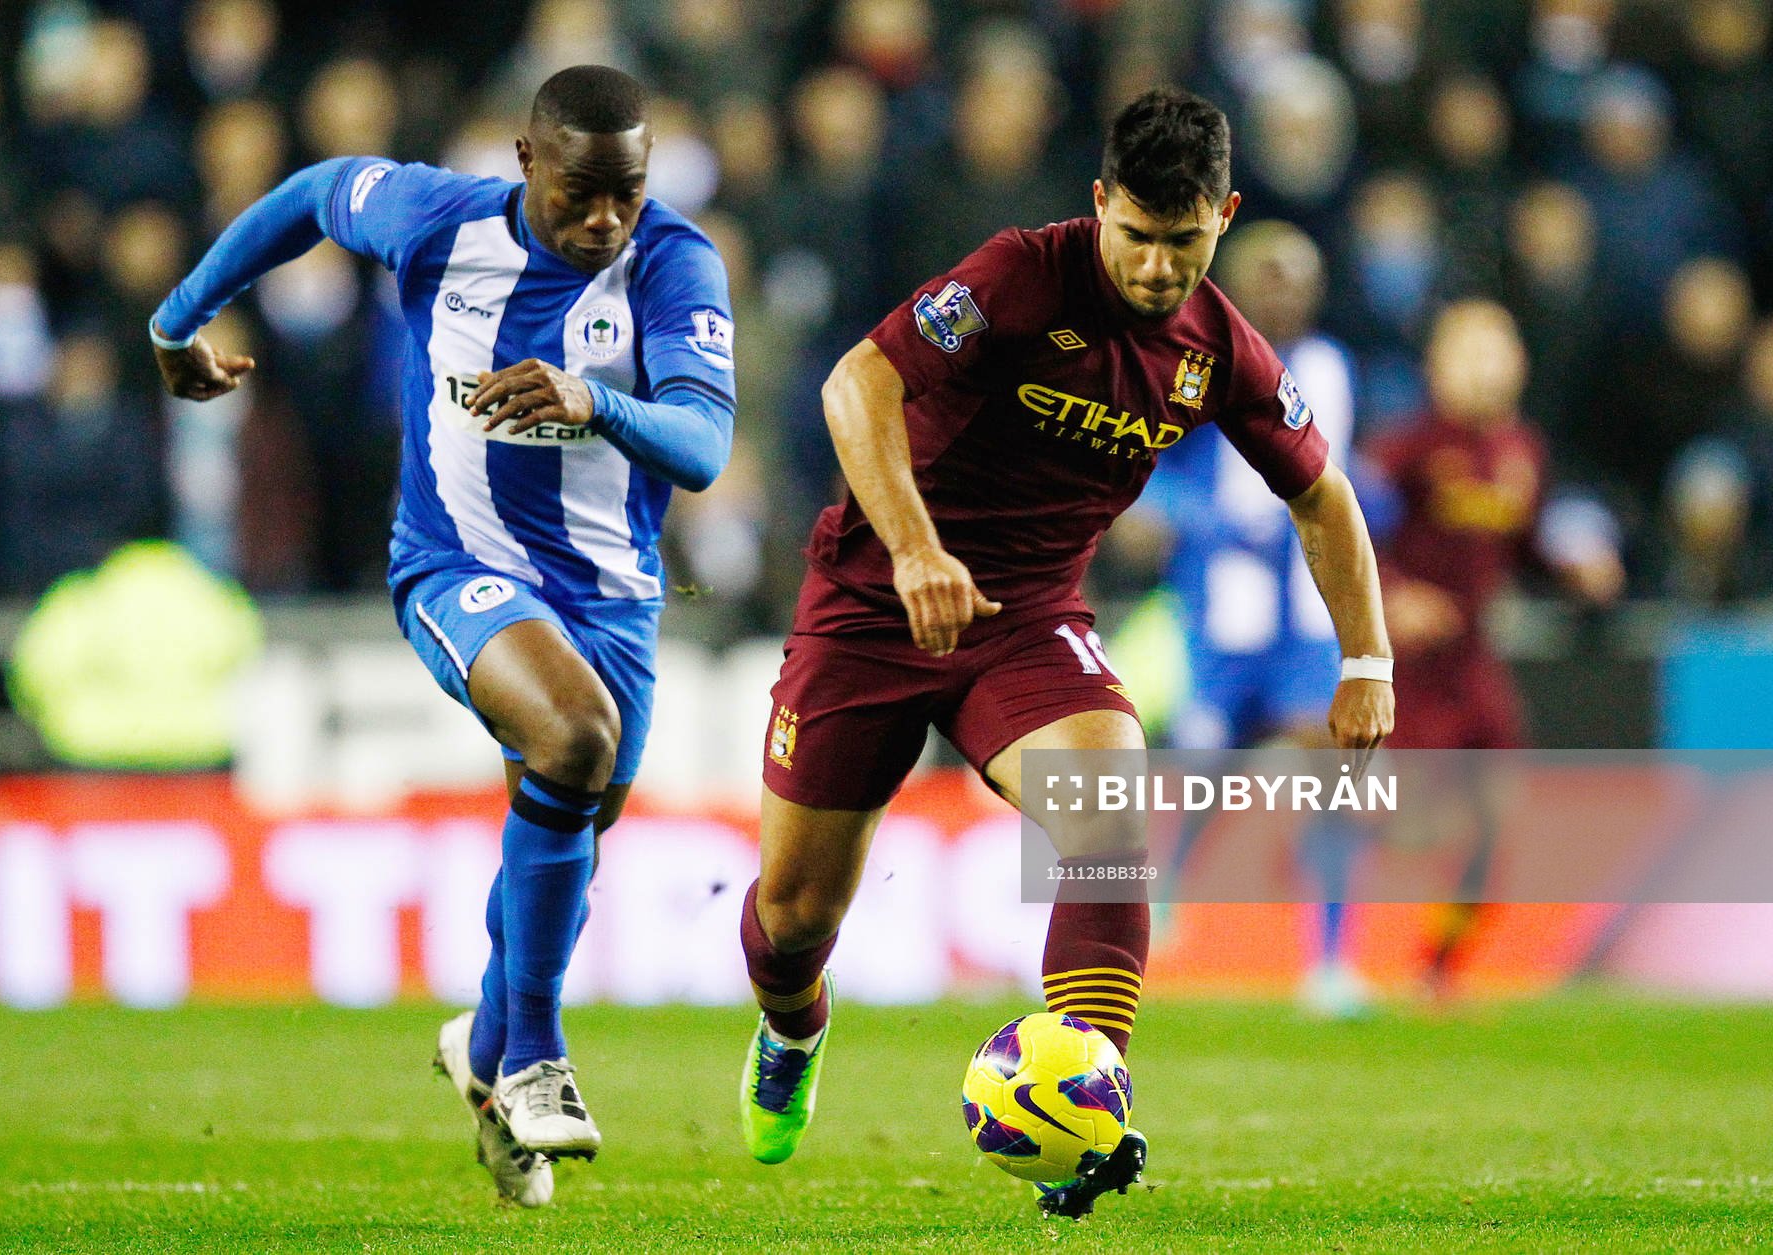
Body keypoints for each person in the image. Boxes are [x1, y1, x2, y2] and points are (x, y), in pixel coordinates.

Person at [735, 87, 1394, 1218]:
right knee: (795, 919)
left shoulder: (1218, 349)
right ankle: (792, 1028)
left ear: (1224, 217)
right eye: (1135, 235)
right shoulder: (1020, 275)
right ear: (1100, 204)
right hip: (873, 601)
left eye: (1182, 243)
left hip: (1030, 621)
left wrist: (1367, 660)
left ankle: (1087, 1097)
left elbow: (1321, 494)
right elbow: (861, 382)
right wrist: (912, 548)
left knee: (1108, 814)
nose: (1152, 268)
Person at [147, 65, 735, 1209]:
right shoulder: (440, 220)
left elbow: (703, 445)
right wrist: (178, 318)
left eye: (627, 193)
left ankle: (485, 1042)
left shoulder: (675, 263)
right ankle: (533, 1061)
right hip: (455, 564)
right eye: (581, 196)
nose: (605, 219)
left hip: (612, 594)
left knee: (578, 801)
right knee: (574, 740)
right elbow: (315, 193)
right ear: (524, 163)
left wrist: (594, 399)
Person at [1138, 220, 1374, 1019]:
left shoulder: (1338, 369)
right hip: (1225, 619)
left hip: (1308, 623)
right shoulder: (1194, 363)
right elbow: (1150, 474)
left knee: (1332, 772)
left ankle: (1332, 959)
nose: (1284, 289)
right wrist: (1215, 521)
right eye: (1267, 274)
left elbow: (1360, 477)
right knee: (1209, 775)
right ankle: (1161, 895)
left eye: (1297, 274)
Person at [1364, 299, 1621, 996]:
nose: (1484, 367)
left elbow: (1527, 542)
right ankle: (1322, 846)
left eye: (1496, 350)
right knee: (1412, 825)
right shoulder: (1403, 450)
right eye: (1468, 351)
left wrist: (1574, 567)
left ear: (1519, 363)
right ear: (1437, 366)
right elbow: (1345, 530)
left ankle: (1438, 969)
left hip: (1474, 661)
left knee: (1495, 818)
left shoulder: (1521, 452)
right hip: (1406, 669)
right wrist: (1391, 593)